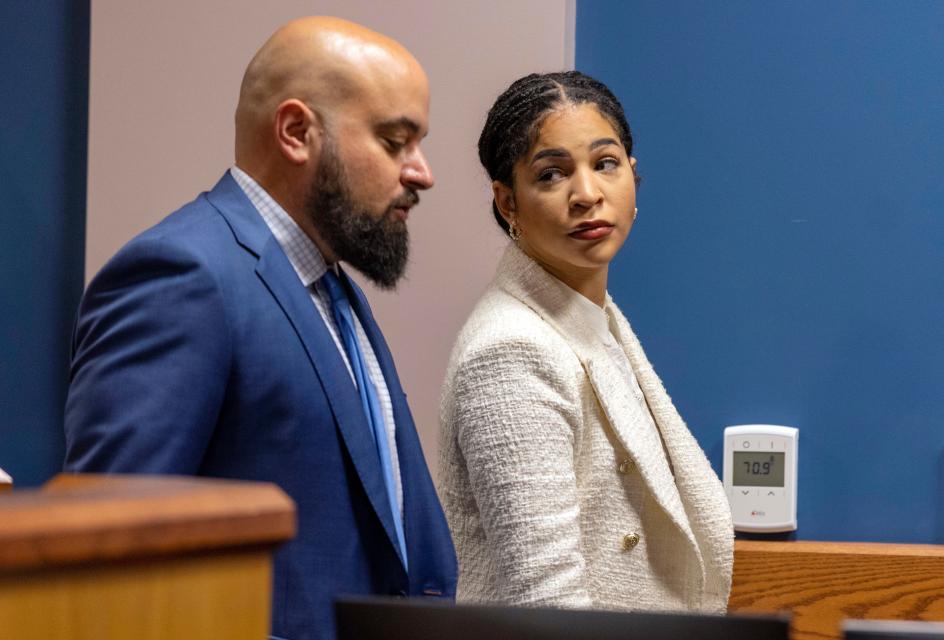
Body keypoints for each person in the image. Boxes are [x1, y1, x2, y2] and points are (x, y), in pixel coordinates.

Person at [64, 17, 457, 640]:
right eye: (394, 141)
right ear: (297, 132)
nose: (421, 172)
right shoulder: (182, 275)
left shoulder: (331, 286)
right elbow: (110, 564)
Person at [438, 71, 733, 613]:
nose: (587, 194)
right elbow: (546, 604)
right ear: (508, 203)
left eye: (605, 163)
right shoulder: (511, 351)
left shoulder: (592, 317)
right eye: (551, 174)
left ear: (633, 176)